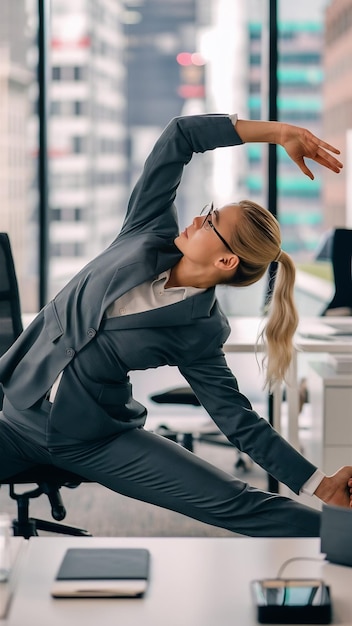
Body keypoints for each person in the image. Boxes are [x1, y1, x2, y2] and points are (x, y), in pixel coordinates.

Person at [1, 113, 351, 538]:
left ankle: (341, 540)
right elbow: (180, 136)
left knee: (234, 500)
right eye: (209, 213)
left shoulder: (200, 330)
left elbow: (237, 420)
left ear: (226, 261)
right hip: (14, 417)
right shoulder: (146, 231)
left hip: (98, 439)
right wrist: (278, 133)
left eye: (212, 223)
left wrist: (318, 483)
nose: (199, 219)